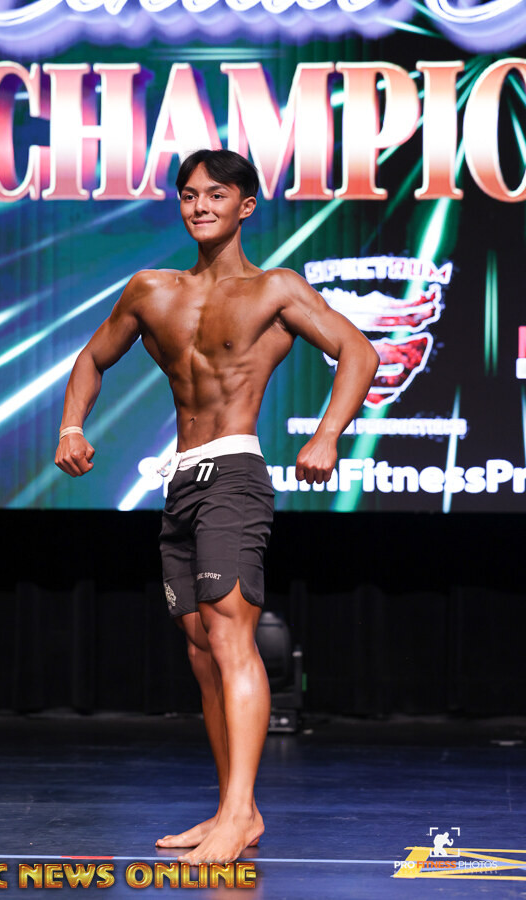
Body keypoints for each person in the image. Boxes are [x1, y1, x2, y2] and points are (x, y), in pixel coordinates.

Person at [54, 148, 380, 864]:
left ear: (245, 206)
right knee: (202, 649)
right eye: (189, 195)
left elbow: (358, 352)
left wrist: (328, 434)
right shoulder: (152, 290)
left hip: (234, 474)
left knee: (232, 638)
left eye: (216, 194)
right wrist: (72, 425)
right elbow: (92, 358)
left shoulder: (276, 289)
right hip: (182, 482)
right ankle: (240, 810)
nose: (200, 206)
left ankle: (237, 813)